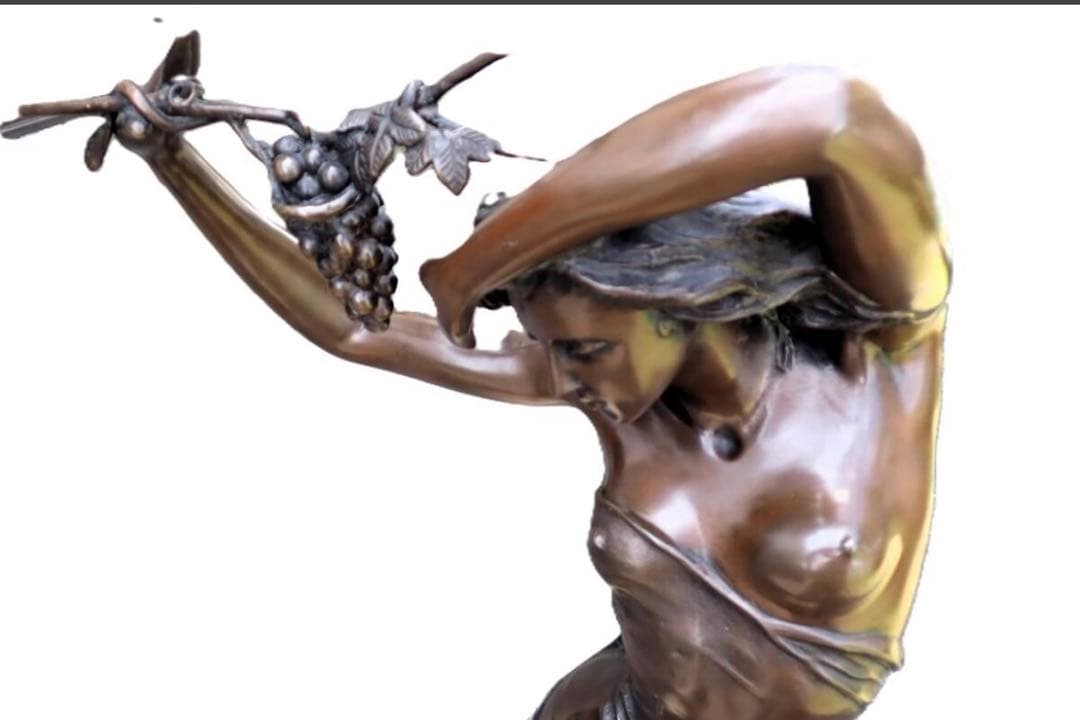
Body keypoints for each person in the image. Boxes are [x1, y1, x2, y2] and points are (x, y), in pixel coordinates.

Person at [112, 63, 949, 720]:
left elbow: (834, 114)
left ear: (673, 303)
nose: (566, 376)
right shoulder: (610, 391)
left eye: (585, 349)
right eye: (554, 350)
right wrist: (174, 163)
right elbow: (355, 331)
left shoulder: (879, 345)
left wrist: (475, 266)